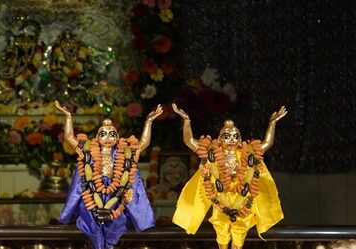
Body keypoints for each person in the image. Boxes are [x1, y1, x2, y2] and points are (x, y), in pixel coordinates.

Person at [171, 103, 286, 249]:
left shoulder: (247, 153)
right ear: (219, 139)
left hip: (242, 199)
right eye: (227, 136)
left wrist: (272, 124)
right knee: (221, 231)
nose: (231, 139)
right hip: (220, 199)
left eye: (235, 136)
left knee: (240, 233)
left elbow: (267, 143)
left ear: (239, 140)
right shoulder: (212, 153)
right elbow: (189, 141)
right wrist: (186, 121)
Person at [55, 101, 160, 249]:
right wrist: (68, 117)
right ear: (97, 138)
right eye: (103, 134)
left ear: (117, 138)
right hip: (91, 203)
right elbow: (70, 138)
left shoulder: (124, 154)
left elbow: (143, 143)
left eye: (112, 134)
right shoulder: (88, 152)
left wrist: (148, 122)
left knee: (118, 226)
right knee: (90, 222)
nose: (108, 137)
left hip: (116, 204)